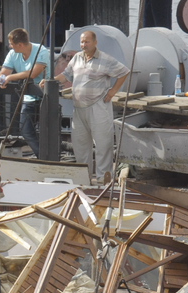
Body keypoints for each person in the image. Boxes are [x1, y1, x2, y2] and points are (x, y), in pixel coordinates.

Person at [40, 30, 129, 182]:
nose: (84, 44)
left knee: (103, 144)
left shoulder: (105, 59)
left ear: (95, 42)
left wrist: (113, 91)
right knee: (80, 145)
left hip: (98, 107)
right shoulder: (76, 58)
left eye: (87, 41)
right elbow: (66, 75)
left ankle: (103, 179)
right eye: (82, 42)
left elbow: (124, 72)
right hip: (79, 108)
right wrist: (51, 80)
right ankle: (84, 179)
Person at [0, 28, 50, 158]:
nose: (9, 46)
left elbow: (34, 73)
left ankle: (48, 157)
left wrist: (9, 77)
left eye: (11, 44)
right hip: (29, 98)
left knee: (47, 131)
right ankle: (43, 157)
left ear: (19, 45)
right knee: (26, 130)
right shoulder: (13, 54)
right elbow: (4, 71)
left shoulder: (41, 50)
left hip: (45, 97)